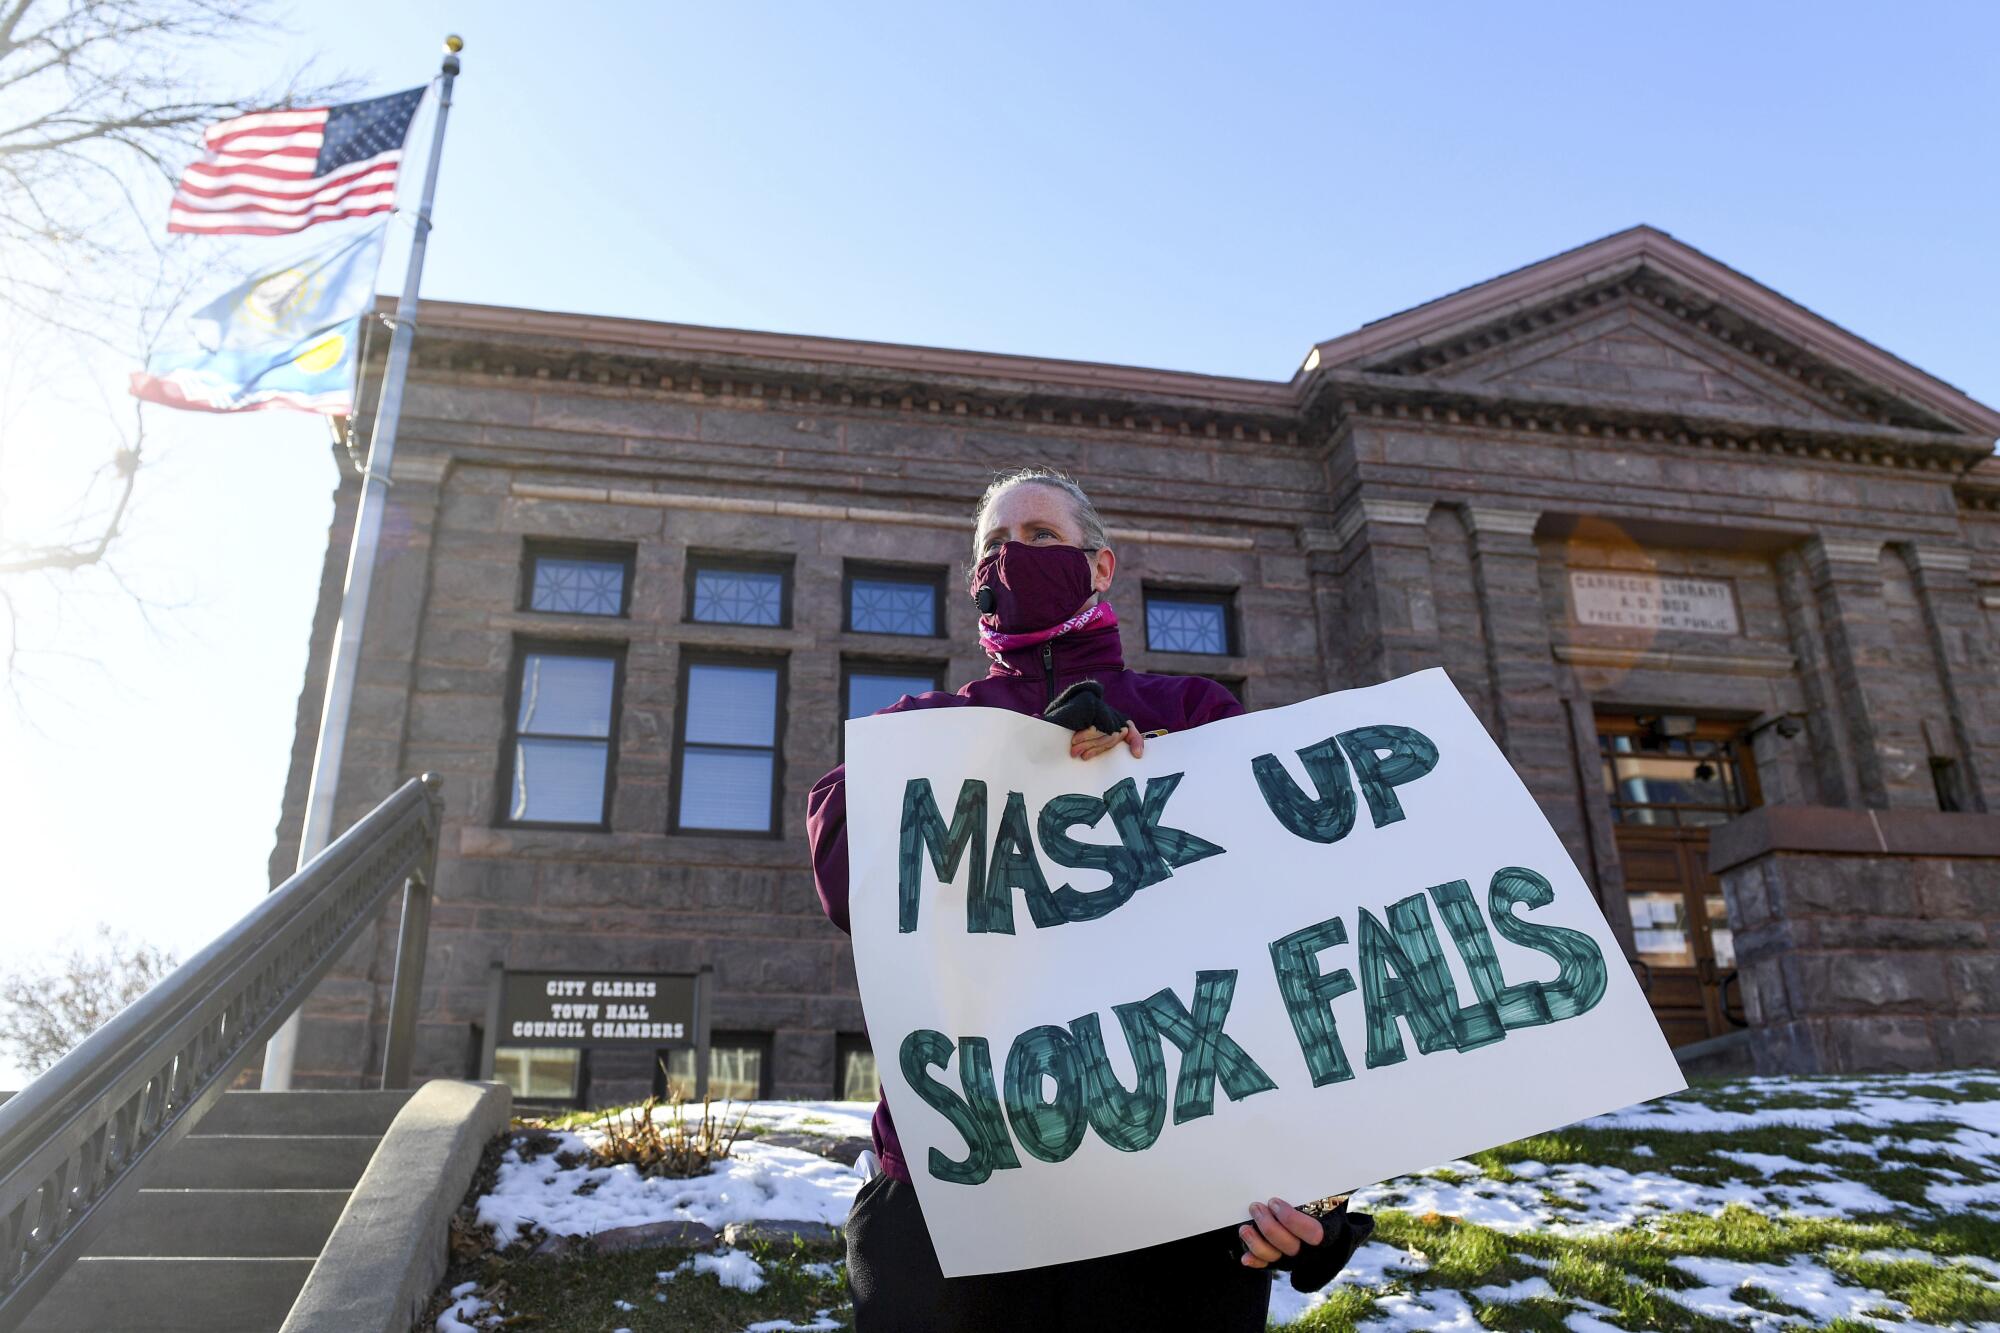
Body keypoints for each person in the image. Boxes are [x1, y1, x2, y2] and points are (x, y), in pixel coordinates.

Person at [806, 467, 1373, 1331]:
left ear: (1100, 566)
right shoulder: (920, 731)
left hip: (1173, 1203)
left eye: (1038, 537)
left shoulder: (1194, 714)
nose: (1012, 556)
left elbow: (1285, 936)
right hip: (964, 1191)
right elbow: (848, 877)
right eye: (993, 546)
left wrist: (1316, 1193)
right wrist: (1011, 762)